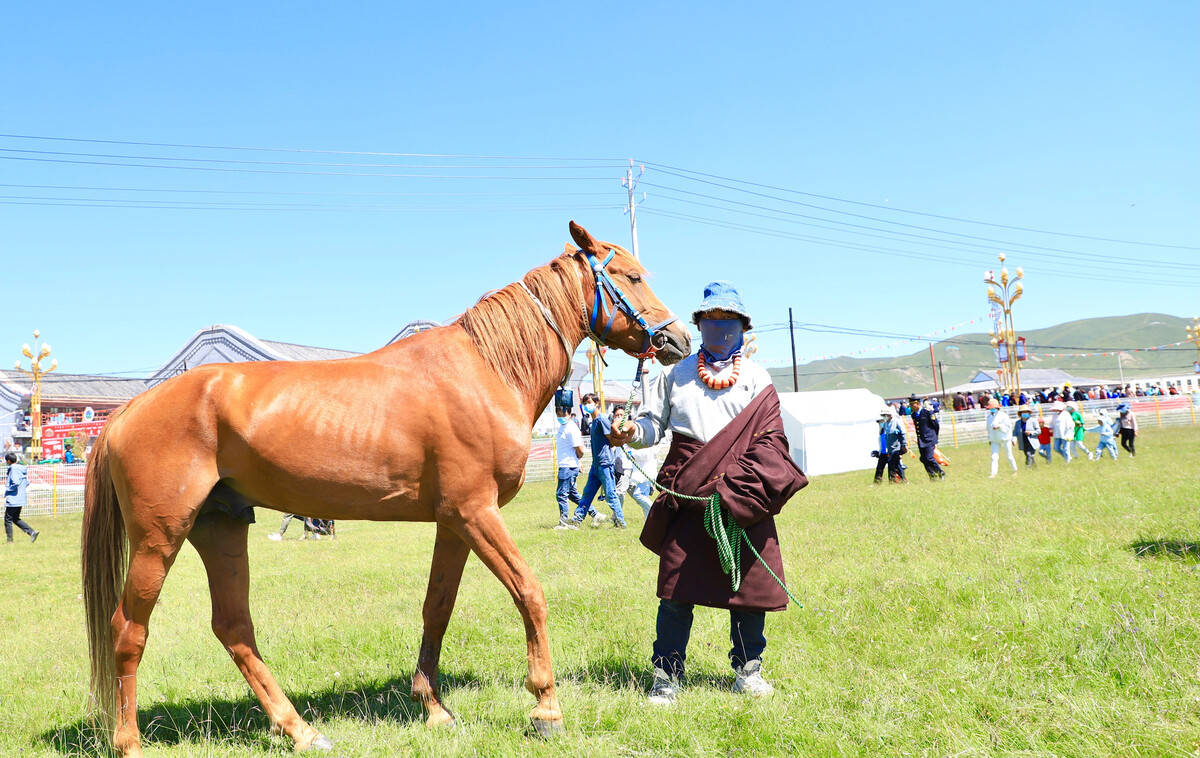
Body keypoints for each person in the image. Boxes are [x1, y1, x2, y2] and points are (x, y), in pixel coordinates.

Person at [610, 281, 807, 706]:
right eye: (712, 320)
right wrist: (630, 432)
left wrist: (738, 488)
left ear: (743, 326)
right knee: (676, 592)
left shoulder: (756, 377)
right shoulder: (675, 375)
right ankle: (667, 677)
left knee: (748, 591)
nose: (720, 328)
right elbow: (651, 429)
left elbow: (772, 440)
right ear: (700, 325)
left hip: (742, 495)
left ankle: (748, 672)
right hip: (687, 493)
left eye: (729, 321)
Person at [571, 405, 626, 528]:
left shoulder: (602, 420)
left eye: (589, 402)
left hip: (605, 464)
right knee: (587, 493)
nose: (587, 405)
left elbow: (611, 440)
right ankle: (577, 519)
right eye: (584, 403)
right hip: (596, 464)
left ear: (596, 404)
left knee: (610, 495)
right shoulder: (594, 421)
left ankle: (621, 522)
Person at [552, 406, 585, 529]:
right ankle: (595, 513)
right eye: (558, 415)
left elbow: (580, 449)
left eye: (563, 414)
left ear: (570, 414)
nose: (561, 417)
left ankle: (564, 522)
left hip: (568, 466)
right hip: (566, 465)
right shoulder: (563, 427)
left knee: (561, 494)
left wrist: (577, 462)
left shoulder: (571, 428)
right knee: (572, 494)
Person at [4, 452, 38, 543]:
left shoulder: (13, 469)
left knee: (8, 519)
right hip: (21, 498)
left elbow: (15, 482)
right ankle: (32, 532)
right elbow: (27, 482)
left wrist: (8, 490)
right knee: (15, 518)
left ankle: (9, 541)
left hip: (13, 499)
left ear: (8, 460)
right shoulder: (21, 469)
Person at [908, 395, 944, 480]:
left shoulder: (927, 412)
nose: (911, 407)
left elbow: (936, 425)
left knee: (929, 458)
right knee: (923, 458)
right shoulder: (913, 414)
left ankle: (940, 472)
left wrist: (935, 438)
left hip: (929, 438)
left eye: (912, 405)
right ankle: (932, 475)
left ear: (917, 404)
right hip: (921, 440)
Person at [872, 406, 907, 484]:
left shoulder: (896, 422)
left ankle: (894, 481)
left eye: (885, 415)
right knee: (893, 466)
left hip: (895, 448)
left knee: (893, 466)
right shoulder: (885, 426)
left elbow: (902, 433)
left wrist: (903, 445)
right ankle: (898, 480)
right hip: (887, 450)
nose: (884, 418)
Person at [986, 399, 1017, 477]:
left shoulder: (1003, 415)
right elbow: (988, 429)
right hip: (994, 440)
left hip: (1005, 438)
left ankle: (1014, 470)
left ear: (997, 408)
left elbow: (1008, 427)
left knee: (1009, 456)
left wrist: (999, 427)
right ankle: (993, 473)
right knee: (994, 457)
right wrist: (990, 439)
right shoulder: (989, 417)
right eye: (991, 408)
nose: (992, 409)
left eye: (994, 408)